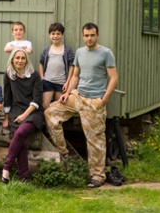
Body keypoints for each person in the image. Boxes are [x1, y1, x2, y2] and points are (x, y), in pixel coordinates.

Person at [44, 22, 118, 188]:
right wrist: (67, 93)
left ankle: (98, 176)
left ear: (97, 35)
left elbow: (113, 78)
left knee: (95, 139)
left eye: (92, 35)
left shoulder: (106, 53)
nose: (89, 38)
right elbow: (76, 76)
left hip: (94, 101)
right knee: (50, 112)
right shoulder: (80, 52)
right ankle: (64, 152)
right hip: (77, 96)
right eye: (86, 35)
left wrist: (104, 99)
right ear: (83, 36)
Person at [1, 47, 44, 183]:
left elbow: (37, 100)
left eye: (23, 58)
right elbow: (7, 97)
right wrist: (7, 117)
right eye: (17, 58)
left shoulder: (35, 76)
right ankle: (24, 178)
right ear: (12, 59)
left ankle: (6, 168)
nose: (20, 61)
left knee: (20, 133)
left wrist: (24, 115)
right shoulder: (9, 75)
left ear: (26, 60)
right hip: (16, 111)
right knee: (22, 143)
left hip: (33, 112)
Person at [39, 22, 75, 109]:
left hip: (61, 82)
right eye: (53, 34)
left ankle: (58, 123)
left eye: (58, 34)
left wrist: (67, 82)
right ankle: (47, 122)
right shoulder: (46, 50)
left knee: (59, 107)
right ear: (49, 35)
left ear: (62, 35)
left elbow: (71, 66)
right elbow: (41, 63)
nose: (55, 36)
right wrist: (42, 77)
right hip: (47, 81)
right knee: (45, 106)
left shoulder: (67, 50)